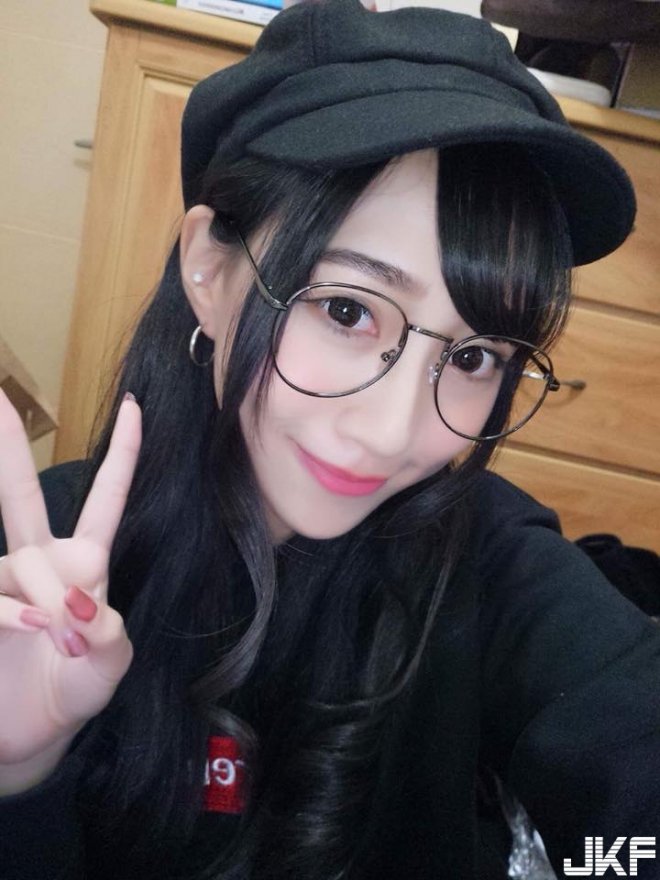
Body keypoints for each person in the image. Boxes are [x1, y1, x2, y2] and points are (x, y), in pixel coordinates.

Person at [1, 1, 658, 878]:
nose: (392, 433)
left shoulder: (493, 561)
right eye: (346, 310)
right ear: (209, 268)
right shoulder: (34, 577)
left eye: (473, 356)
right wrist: (18, 770)